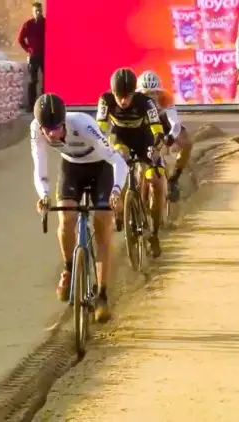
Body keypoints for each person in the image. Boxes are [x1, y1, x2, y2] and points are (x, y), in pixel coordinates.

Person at [31, 93, 126, 322]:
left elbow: (117, 161)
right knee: (66, 218)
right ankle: (69, 268)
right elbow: (40, 168)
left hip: (100, 167)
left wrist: (115, 191)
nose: (52, 134)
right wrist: (43, 195)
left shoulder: (83, 125)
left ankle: (102, 295)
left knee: (102, 225)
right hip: (71, 169)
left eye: (56, 127)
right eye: (47, 129)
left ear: (64, 122)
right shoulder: (36, 129)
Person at [96, 68, 167, 258]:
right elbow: (100, 129)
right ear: (112, 92)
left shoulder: (146, 102)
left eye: (127, 96)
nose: (123, 101)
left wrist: (157, 148)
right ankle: (121, 206)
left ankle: (154, 233)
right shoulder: (106, 100)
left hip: (145, 141)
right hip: (120, 140)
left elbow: (157, 131)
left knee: (156, 181)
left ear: (134, 92)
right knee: (119, 159)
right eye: (119, 96)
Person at [136, 70, 193, 202]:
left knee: (187, 143)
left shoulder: (165, 98)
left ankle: (174, 179)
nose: (151, 96)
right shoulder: (134, 101)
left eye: (154, 92)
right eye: (146, 94)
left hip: (163, 121)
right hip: (144, 124)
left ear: (159, 92)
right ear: (139, 93)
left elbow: (175, 123)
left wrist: (171, 137)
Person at [17, 2, 46, 112]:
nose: (38, 13)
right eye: (36, 11)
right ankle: (31, 105)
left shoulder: (46, 23)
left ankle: (46, 103)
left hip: (45, 56)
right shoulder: (28, 24)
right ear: (32, 12)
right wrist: (28, 49)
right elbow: (20, 38)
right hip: (33, 56)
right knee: (33, 80)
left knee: (47, 81)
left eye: (39, 11)